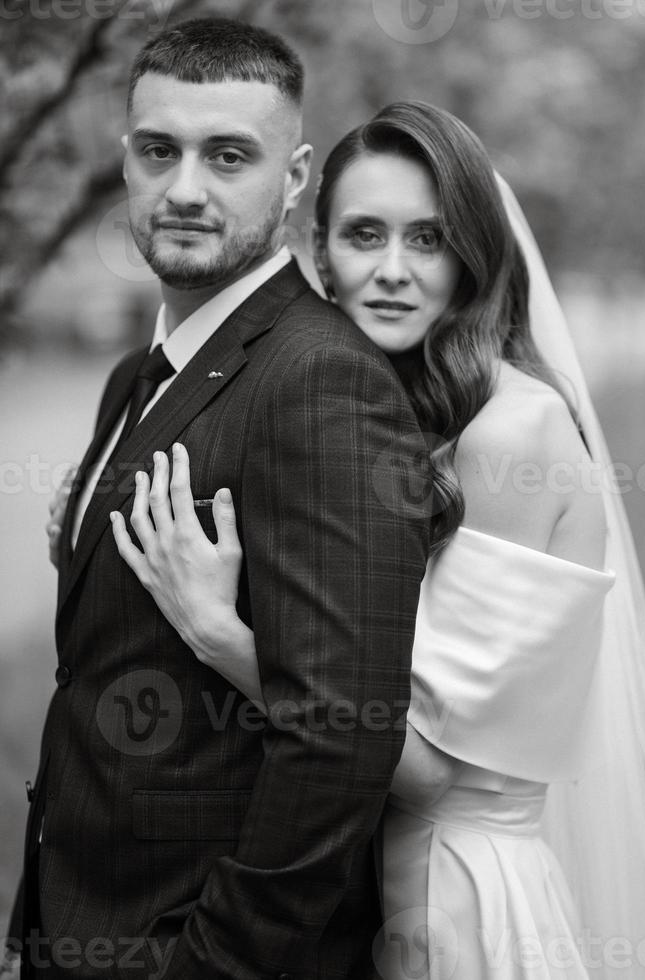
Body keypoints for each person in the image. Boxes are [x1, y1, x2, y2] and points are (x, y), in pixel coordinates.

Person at [103, 100, 645, 979]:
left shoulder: (509, 435)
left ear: (473, 256)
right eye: (365, 235)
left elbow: (429, 767)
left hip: (449, 901)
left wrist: (219, 633)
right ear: (319, 252)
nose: (393, 271)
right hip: (372, 888)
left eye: (427, 240)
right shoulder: (403, 418)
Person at [6, 20, 434, 980]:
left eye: (229, 155)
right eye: (160, 150)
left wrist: (212, 962)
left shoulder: (325, 382)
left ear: (292, 180)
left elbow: (341, 739)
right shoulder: (136, 375)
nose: (186, 188)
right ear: (126, 162)